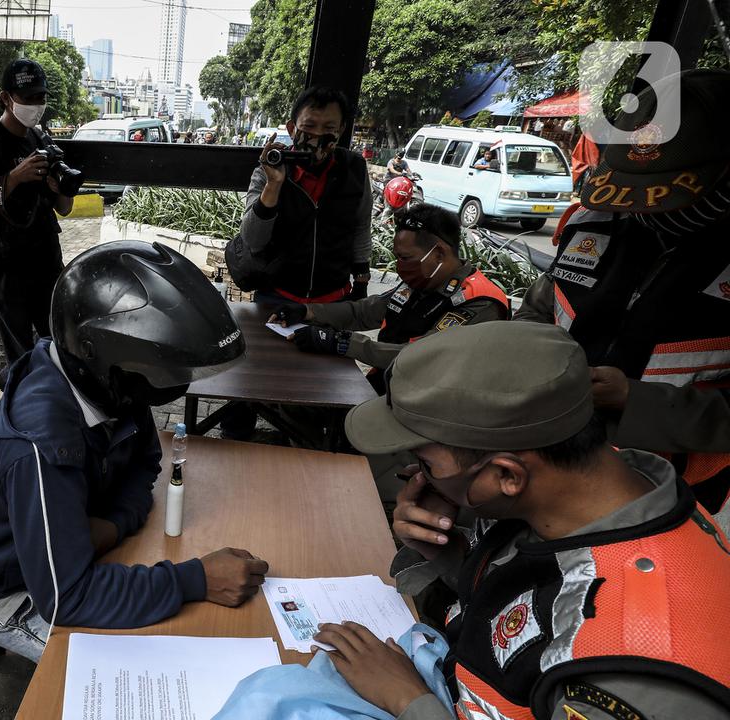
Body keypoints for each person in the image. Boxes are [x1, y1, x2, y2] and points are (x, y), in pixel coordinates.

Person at [320, 321, 730, 720]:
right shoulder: (601, 491)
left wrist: (407, 698)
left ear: (507, 476)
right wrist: (455, 554)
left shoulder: (634, 670)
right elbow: (535, 603)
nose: (419, 476)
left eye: (426, 463)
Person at [0, 241, 267, 661]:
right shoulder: (42, 448)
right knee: (149, 671)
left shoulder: (114, 387)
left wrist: (113, 524)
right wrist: (194, 580)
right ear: (99, 353)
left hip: (70, 558)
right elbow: (66, 600)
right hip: (5, 591)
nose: (172, 383)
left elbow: (146, 462)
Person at [515, 70, 730, 515]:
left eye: (667, 195)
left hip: (667, 497)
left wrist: (638, 401)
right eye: (632, 190)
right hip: (546, 465)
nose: (644, 209)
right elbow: (540, 309)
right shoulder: (590, 223)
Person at [222, 86, 373, 440]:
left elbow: (361, 226)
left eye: (329, 128)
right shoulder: (271, 168)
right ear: (292, 128)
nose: (318, 136)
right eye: (310, 126)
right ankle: (234, 442)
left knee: (319, 387)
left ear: (342, 130)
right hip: (276, 297)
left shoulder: (353, 168)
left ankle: (304, 444)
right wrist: (273, 186)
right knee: (249, 380)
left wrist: (361, 280)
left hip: (331, 300)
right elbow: (253, 240)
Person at [271, 204, 509, 391]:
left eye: (405, 258)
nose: (399, 267)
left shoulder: (479, 302)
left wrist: (342, 343)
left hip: (431, 407)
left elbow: (420, 358)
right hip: (390, 384)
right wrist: (306, 311)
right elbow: (364, 312)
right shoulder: (423, 281)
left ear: (438, 254)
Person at [0, 59, 76, 383]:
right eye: (28, 98)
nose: (36, 106)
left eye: (41, 97)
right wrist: (14, 177)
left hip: (44, 259)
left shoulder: (40, 140)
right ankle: (23, 415)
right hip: (6, 265)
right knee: (21, 354)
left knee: (60, 344)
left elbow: (64, 208)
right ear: (6, 98)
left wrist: (60, 186)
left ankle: (57, 410)